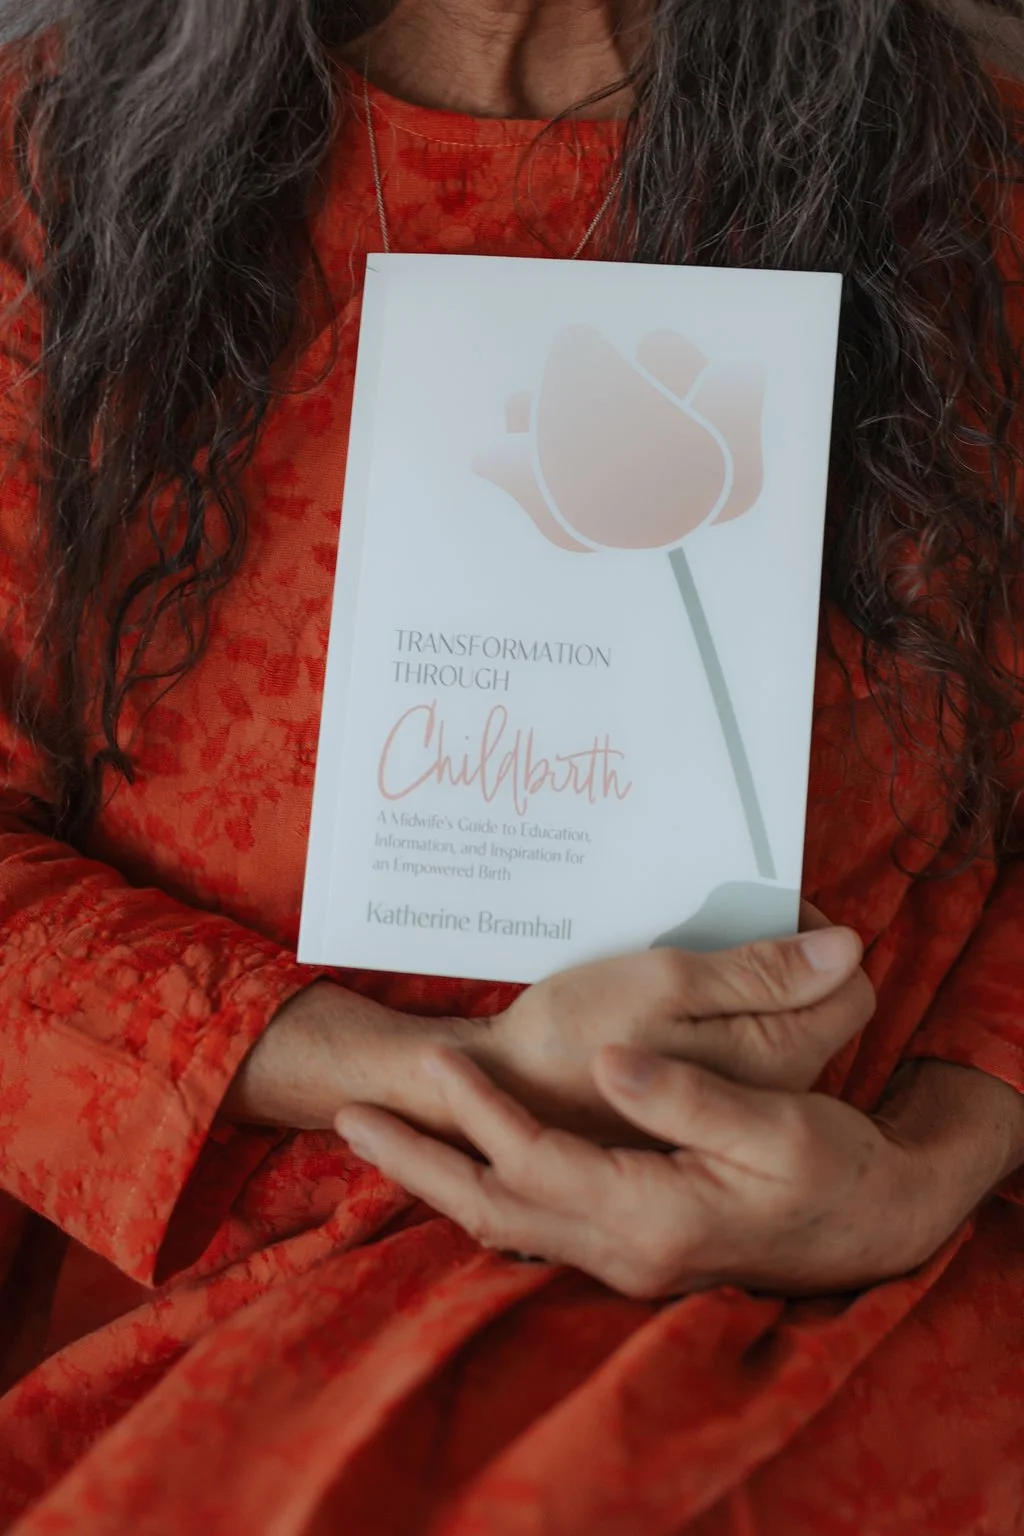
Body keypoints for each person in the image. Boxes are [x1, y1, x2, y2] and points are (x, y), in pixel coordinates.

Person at [1, 0, 1024, 1530]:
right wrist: (440, 1083)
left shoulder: (976, 184)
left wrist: (921, 1173)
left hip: (837, 1271)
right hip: (240, 1252)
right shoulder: (67, 163)